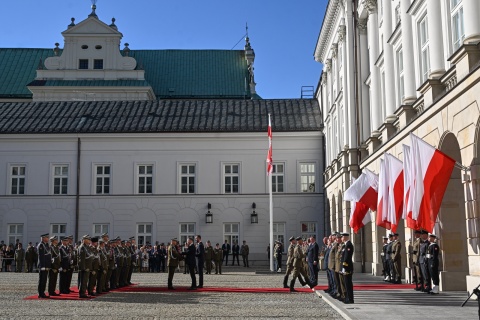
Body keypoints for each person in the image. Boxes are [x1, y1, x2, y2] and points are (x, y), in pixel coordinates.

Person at [340, 233, 354, 304]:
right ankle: (348, 298)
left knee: (348, 283)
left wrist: (344, 267)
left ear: (345, 237)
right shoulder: (345, 245)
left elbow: (347, 257)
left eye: (342, 237)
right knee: (346, 283)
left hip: (347, 267)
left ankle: (350, 299)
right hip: (346, 267)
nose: (341, 238)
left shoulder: (348, 245)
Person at [37, 233, 52, 298]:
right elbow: (41, 256)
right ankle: (40, 293)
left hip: (47, 265)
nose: (48, 239)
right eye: (46, 237)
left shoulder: (46, 245)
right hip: (43, 265)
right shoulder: (41, 245)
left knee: (45, 280)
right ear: (43, 238)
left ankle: (42, 292)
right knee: (42, 280)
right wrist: (42, 266)